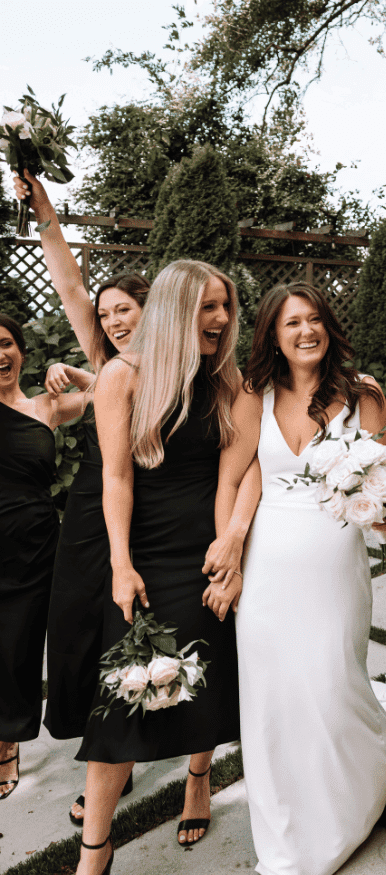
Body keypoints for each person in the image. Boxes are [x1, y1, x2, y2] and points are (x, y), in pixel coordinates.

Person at [204, 281, 386, 875]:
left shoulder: (363, 394)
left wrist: (379, 512)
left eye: (314, 319)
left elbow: (384, 483)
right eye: (292, 323)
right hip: (265, 566)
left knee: (330, 683)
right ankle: (285, 832)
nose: (306, 331)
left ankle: (346, 805)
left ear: (328, 327)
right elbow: (231, 482)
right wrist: (230, 561)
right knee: (271, 698)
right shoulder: (253, 395)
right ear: (273, 335)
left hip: (334, 564)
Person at [12, 173, 219, 834]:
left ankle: (179, 770)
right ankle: (113, 749)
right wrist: (43, 208)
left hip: (160, 519)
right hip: (91, 516)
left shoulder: (189, 362)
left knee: (155, 637)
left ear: (153, 309)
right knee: (81, 637)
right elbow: (70, 285)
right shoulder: (108, 361)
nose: (112, 321)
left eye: (124, 310)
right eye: (104, 316)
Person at [72, 259, 248, 875]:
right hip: (145, 556)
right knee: (119, 701)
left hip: (208, 551)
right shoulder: (122, 375)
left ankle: (198, 780)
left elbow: (246, 466)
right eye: (208, 307)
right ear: (176, 310)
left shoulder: (225, 379)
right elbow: (115, 477)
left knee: (205, 679)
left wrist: (233, 546)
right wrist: (120, 564)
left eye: (225, 306)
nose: (221, 318)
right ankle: (95, 849)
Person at [0, 314, 86, 799]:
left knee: (20, 646)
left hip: (34, 547)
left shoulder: (44, 407)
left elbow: (113, 392)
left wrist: (67, 371)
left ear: (22, 352)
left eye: (6, 343)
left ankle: (7, 742)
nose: (0, 354)